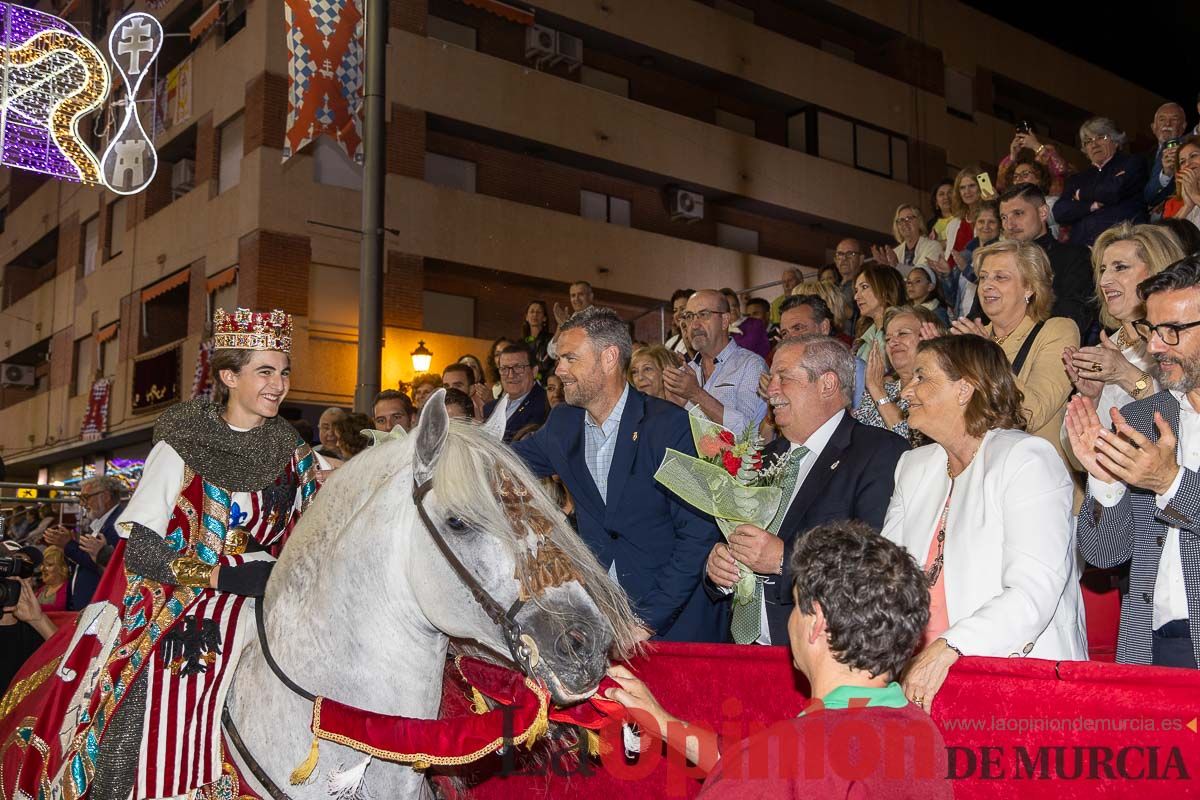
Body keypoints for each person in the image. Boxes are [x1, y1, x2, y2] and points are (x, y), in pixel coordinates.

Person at [11, 307, 323, 800]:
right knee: (139, 720)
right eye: (265, 371)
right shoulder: (180, 445)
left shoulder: (291, 450)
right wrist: (224, 577)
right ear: (228, 375)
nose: (278, 384)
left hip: (269, 603)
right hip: (180, 608)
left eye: (284, 372)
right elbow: (142, 555)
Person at [607, 520, 951, 798]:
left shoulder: (788, 756)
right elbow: (759, 769)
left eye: (795, 603)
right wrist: (662, 722)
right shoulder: (919, 731)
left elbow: (768, 772)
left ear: (815, 624)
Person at [886, 335, 1086, 710]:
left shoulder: (1025, 459)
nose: (905, 389)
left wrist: (950, 645)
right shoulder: (913, 466)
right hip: (922, 676)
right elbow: (885, 574)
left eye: (921, 377)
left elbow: (1033, 592)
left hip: (1016, 681)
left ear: (965, 388)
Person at [513, 306, 724, 642]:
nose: (559, 370)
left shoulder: (669, 426)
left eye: (570, 358)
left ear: (609, 358)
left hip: (675, 626)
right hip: (603, 621)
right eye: (559, 359)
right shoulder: (563, 424)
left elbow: (697, 535)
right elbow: (505, 461)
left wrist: (645, 622)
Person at [705, 336, 908, 644]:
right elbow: (730, 539)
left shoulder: (878, 453)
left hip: (824, 654)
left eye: (783, 377)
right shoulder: (760, 458)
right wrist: (718, 568)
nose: (770, 389)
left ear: (827, 384)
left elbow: (875, 564)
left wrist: (784, 560)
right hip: (745, 654)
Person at [1068, 253, 1200, 667]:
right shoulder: (1142, 417)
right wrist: (1104, 481)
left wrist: (1170, 482)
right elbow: (1105, 554)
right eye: (1152, 329)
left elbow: (1170, 484)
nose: (1155, 345)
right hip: (1149, 649)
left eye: (1173, 330)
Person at [1062, 223, 1185, 466]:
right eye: (1103, 270)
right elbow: (1075, 456)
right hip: (1112, 493)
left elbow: (1184, 418)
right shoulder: (1106, 348)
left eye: (1120, 268)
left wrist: (1125, 374)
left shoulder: (1181, 339)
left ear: (1156, 273)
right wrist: (1090, 400)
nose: (1105, 280)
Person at [951, 240, 1079, 469]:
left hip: (1036, 477)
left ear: (1029, 287)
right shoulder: (970, 339)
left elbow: (1032, 413)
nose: (987, 286)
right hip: (977, 473)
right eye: (983, 277)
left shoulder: (1057, 330)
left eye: (1000, 277)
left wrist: (986, 354)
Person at [999, 184, 1097, 341]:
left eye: (1018, 213)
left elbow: (1072, 318)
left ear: (1043, 212)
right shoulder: (998, 263)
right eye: (1004, 217)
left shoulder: (1075, 257)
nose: (1009, 225)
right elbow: (978, 316)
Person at [664, 290, 768, 435]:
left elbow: (749, 434)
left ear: (725, 320)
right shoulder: (686, 373)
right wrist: (675, 409)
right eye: (689, 317)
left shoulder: (750, 366)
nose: (694, 325)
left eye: (704, 315)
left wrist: (696, 395)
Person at [855, 305, 947, 447]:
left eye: (903, 333)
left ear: (930, 337)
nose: (893, 342)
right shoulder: (881, 389)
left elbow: (912, 445)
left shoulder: (942, 391)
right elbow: (855, 440)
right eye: (888, 338)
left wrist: (879, 393)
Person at [1053, 117, 1149, 248]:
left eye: (1100, 137)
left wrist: (1081, 195)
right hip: (1080, 250)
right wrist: (1092, 206)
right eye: (1088, 141)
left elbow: (1113, 191)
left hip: (1120, 242)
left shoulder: (1133, 162)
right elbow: (1060, 212)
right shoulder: (1077, 178)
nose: (1094, 144)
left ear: (1116, 141)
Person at [61, 475, 126, 609]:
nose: (82, 504)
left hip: (100, 605)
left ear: (106, 496)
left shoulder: (118, 524)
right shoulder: (103, 522)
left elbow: (102, 565)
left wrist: (68, 545)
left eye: (86, 497)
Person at [0, 544, 56, 693]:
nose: (12, 579)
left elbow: (73, 669)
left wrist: (39, 620)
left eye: (23, 571)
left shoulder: (38, 629)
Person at [934, 199, 1000, 320]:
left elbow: (993, 286)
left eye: (991, 222)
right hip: (961, 320)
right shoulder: (965, 254)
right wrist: (946, 275)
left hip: (986, 322)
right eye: (981, 221)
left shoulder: (1001, 254)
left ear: (1000, 226)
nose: (985, 226)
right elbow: (951, 300)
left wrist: (966, 269)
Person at [483, 344, 549, 443]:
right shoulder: (489, 408)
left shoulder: (546, 405)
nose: (510, 375)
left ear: (534, 371)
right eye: (504, 369)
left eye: (518, 367)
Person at [851, 263, 905, 362]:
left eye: (864, 287)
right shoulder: (865, 335)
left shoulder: (903, 331)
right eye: (856, 290)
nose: (856, 297)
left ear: (885, 289)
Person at [997, 125, 1070, 197]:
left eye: (1025, 174)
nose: (1019, 179)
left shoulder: (1051, 190)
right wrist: (1013, 155)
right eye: (1015, 176)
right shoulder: (1014, 199)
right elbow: (1002, 184)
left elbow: (1060, 169)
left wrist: (1035, 145)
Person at [1144, 103, 1189, 217]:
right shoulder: (1142, 158)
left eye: (1174, 119)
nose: (1167, 124)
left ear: (1183, 127)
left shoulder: (1190, 151)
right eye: (1162, 119)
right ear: (1153, 127)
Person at [871, 204, 941, 275]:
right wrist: (886, 268)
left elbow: (925, 276)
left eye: (909, 218)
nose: (904, 223)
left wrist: (897, 265)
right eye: (901, 220)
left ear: (919, 221)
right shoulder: (895, 252)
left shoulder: (933, 246)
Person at [941, 166, 988, 266]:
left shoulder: (991, 220)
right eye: (962, 187)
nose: (967, 191)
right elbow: (949, 258)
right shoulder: (953, 224)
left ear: (981, 187)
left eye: (972, 186)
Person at [721, 287, 771, 359]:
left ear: (739, 306)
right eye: (728, 306)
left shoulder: (755, 324)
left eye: (735, 305)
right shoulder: (720, 331)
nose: (732, 309)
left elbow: (745, 350)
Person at [832, 238, 865, 335]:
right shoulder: (833, 288)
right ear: (835, 260)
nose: (844, 259)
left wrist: (850, 313)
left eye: (850, 254)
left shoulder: (868, 286)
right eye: (840, 254)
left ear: (861, 259)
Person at [1167, 136, 1200, 230]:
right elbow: (1165, 238)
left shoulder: (1195, 196)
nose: (1188, 163)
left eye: (1193, 156)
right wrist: (1187, 207)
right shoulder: (1175, 203)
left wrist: (1195, 196)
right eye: (1182, 162)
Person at [522, 299, 555, 381]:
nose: (535, 315)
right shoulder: (521, 343)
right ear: (526, 317)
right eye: (532, 312)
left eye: (538, 312)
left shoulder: (551, 339)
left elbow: (547, 364)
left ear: (544, 318)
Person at [35, 545, 69, 611]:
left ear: (62, 567)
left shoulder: (68, 589)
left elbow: (59, 609)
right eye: (42, 564)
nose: (43, 568)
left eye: (49, 565)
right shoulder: (41, 590)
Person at [664, 288, 694, 356]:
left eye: (682, 309)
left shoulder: (700, 339)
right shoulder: (671, 342)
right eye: (675, 310)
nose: (677, 314)